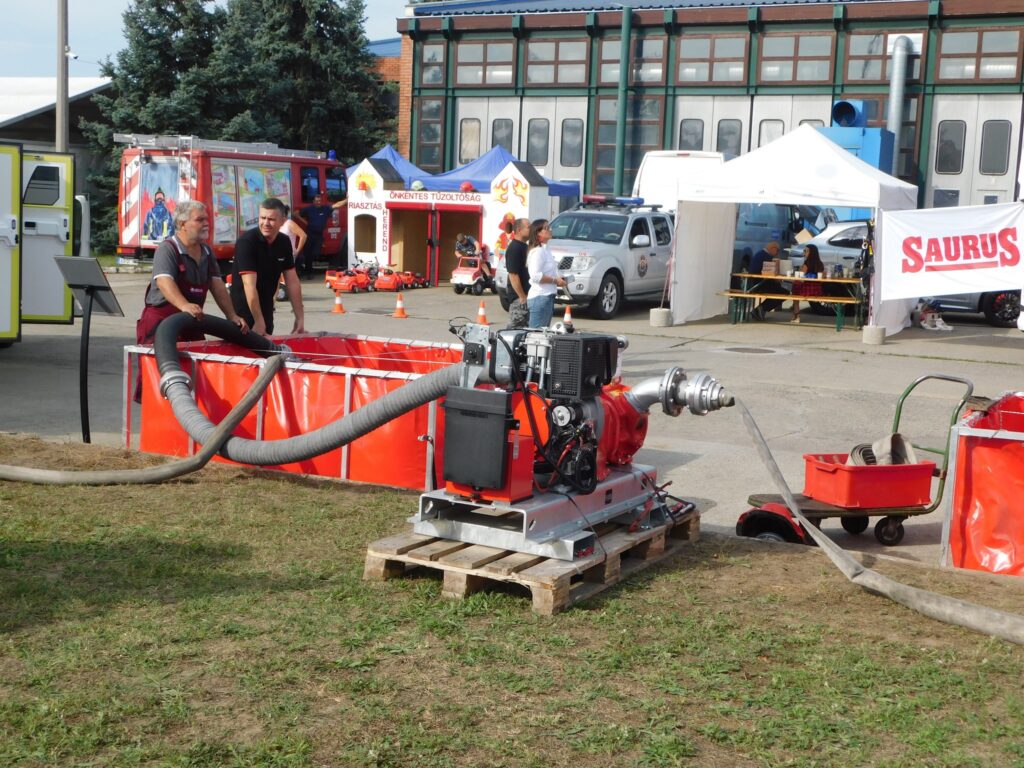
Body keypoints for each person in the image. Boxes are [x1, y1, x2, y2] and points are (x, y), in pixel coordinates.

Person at [134, 201, 247, 400]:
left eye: (207, 219)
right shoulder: (168, 249)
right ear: (182, 224)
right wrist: (184, 305)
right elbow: (164, 281)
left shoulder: (206, 252)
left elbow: (217, 285)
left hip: (192, 322)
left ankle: (191, 417)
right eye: (200, 219)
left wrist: (232, 315)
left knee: (197, 377)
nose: (206, 223)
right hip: (161, 325)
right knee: (159, 379)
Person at [230, 197, 305, 337]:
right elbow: (249, 285)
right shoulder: (247, 242)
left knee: (267, 347)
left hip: (266, 307)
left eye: (271, 219)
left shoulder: (284, 242)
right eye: (262, 218)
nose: (266, 223)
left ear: (283, 221)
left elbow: (292, 282)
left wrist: (299, 318)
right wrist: (258, 321)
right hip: (243, 312)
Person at [526, 219, 566, 328]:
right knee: (536, 334)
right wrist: (555, 280)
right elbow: (535, 276)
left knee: (543, 333)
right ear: (538, 233)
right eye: (546, 228)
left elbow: (550, 270)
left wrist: (560, 278)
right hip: (540, 297)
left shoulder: (546, 250)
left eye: (550, 227)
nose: (550, 230)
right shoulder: (538, 251)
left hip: (547, 297)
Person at [295, 192, 345, 278]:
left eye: (320, 201)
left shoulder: (325, 209)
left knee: (316, 253)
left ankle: (309, 268)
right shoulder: (309, 209)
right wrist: (306, 223)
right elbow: (295, 213)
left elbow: (337, 205)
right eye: (317, 201)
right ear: (313, 201)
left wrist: (347, 200)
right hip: (310, 234)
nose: (318, 202)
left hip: (319, 235)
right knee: (309, 254)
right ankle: (309, 273)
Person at [503, 218, 532, 329]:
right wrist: (522, 296)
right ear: (519, 230)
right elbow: (513, 274)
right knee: (514, 330)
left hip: (526, 296)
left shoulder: (524, 246)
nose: (531, 229)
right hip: (518, 299)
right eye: (529, 227)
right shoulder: (514, 248)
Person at [791, 243, 825, 323]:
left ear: (811, 252)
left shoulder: (806, 264)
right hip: (817, 290)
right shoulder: (820, 263)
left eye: (806, 251)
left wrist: (794, 279)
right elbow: (822, 277)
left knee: (795, 289)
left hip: (807, 290)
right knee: (796, 287)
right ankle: (796, 314)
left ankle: (796, 314)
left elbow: (801, 277)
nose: (804, 253)